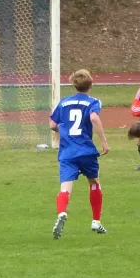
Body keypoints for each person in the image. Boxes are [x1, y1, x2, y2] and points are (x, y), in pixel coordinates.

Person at [49, 69, 110, 239]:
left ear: (73, 84)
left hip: (67, 151)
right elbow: (94, 118)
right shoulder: (93, 102)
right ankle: (96, 221)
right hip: (85, 150)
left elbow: (52, 124)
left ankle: (62, 212)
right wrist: (104, 141)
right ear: (91, 84)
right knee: (94, 182)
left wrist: (62, 129)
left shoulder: (64, 102)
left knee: (65, 187)